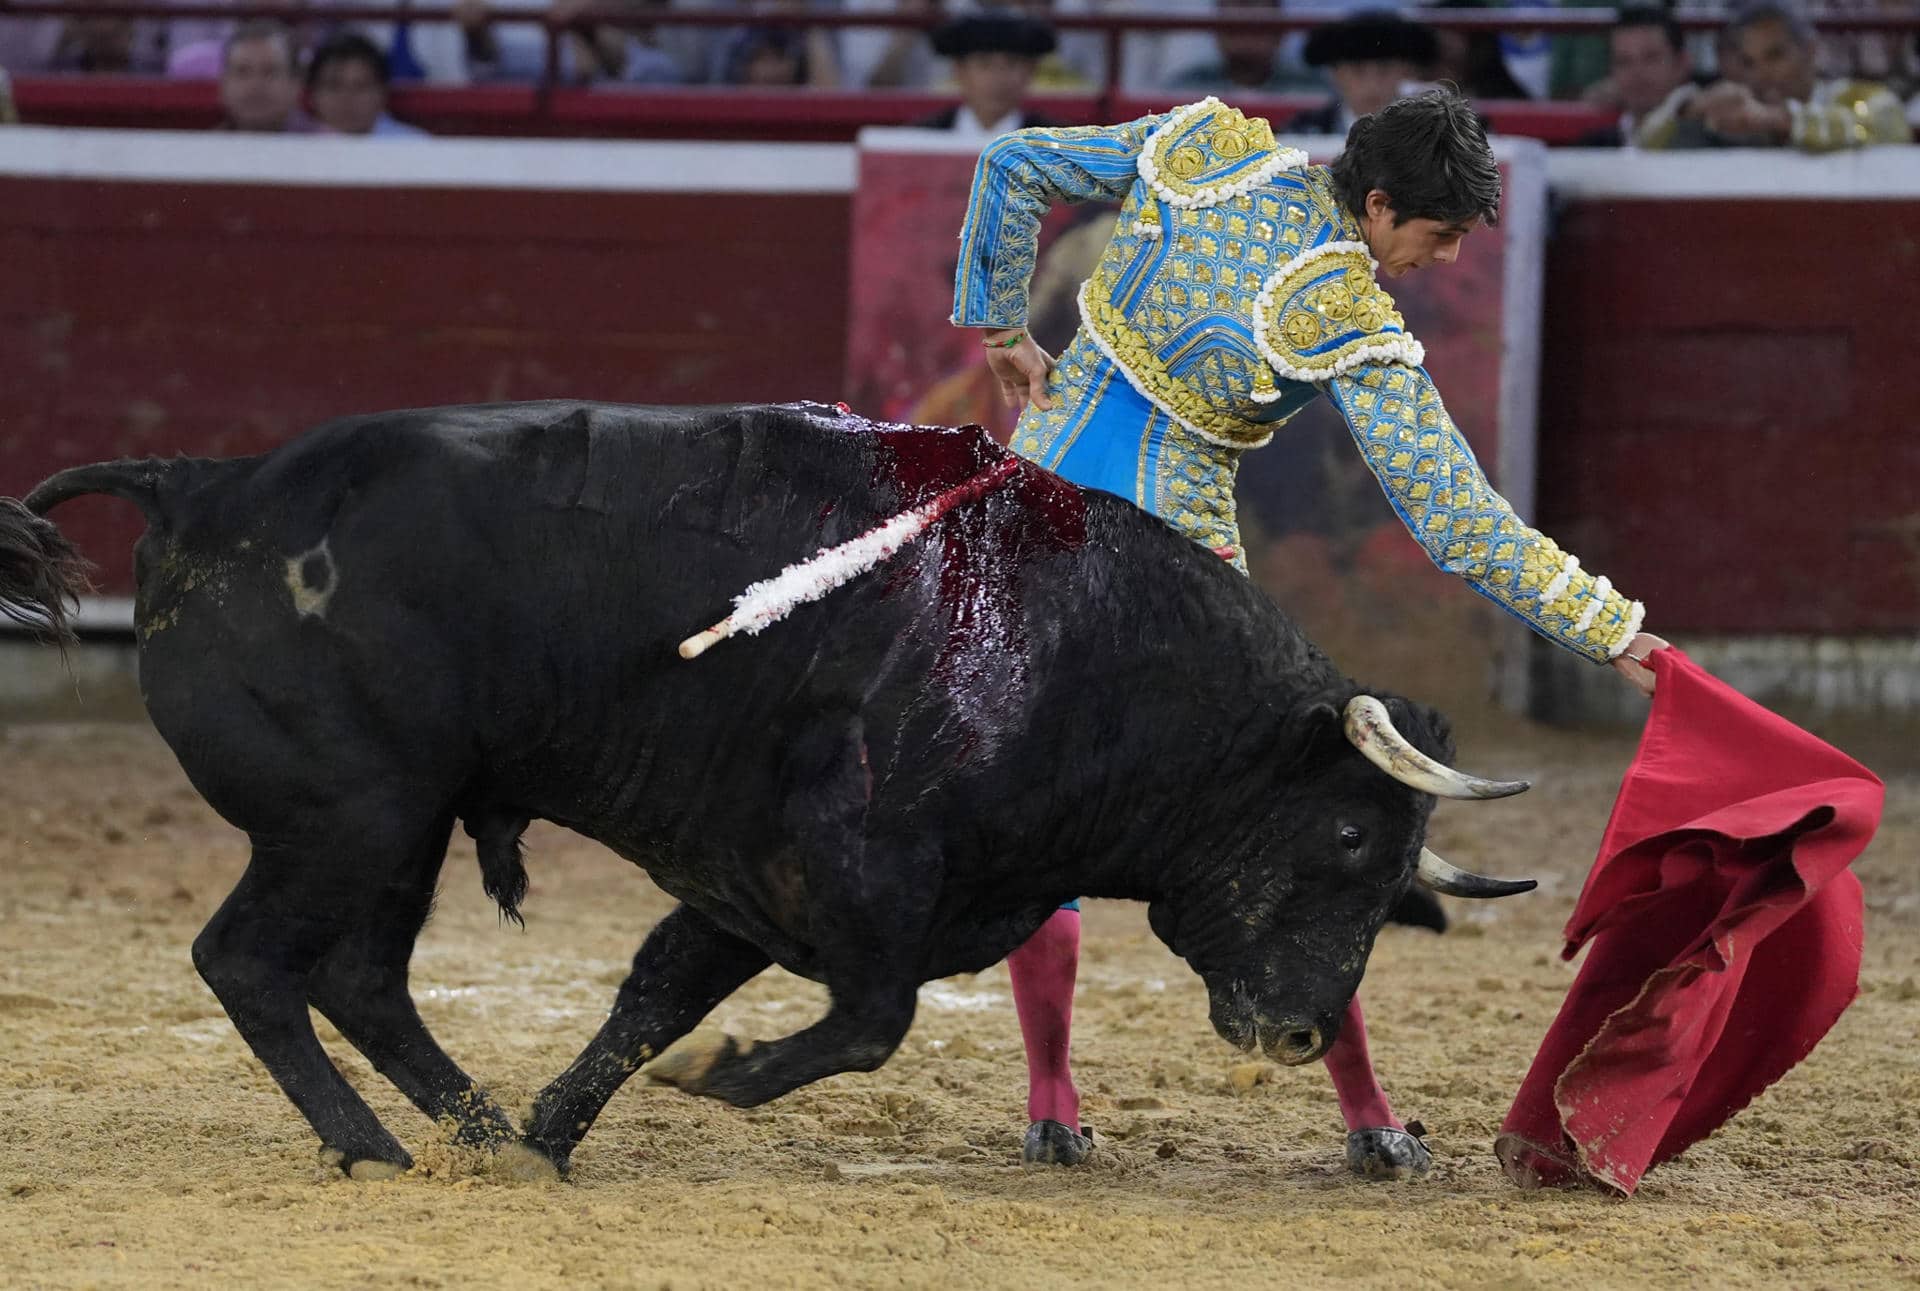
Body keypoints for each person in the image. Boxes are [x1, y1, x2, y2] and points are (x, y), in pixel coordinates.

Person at [951, 89, 1666, 1172]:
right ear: (1378, 206)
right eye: (1436, 234)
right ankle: (1369, 1116)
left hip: (1034, 526)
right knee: (1295, 830)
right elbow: (1458, 522)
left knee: (1043, 805)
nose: (1444, 258)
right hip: (1175, 581)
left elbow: (1011, 165)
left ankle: (1052, 1099)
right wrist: (1611, 630)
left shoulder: (1202, 148)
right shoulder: (1341, 311)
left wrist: (1005, 332)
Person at [1690, 2, 1911, 149]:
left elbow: (1881, 126)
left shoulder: (1857, 96)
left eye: (1775, 56)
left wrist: (1778, 119)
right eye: (1749, 63)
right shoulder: (1735, 115)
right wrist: (1688, 111)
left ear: (1810, 50)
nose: (1762, 73)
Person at [1285, 10, 1437, 136]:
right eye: (1357, 70)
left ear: (1405, 71)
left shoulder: (1425, 131)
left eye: (1384, 69)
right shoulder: (1303, 132)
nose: (1372, 84)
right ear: (1335, 73)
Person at [914, 12, 1060, 136]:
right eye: (984, 64)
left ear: (1030, 71)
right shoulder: (922, 136)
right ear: (959, 71)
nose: (998, 78)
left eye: (1012, 63)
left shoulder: (1057, 145)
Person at [1580, 8, 1704, 149]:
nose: (1637, 72)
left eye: (1651, 57)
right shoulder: (1595, 145)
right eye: (1623, 61)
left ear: (1682, 63)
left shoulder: (1712, 133)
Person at [306, 32, 429, 138]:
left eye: (360, 87)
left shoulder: (417, 146)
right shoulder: (294, 143)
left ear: (383, 92)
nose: (346, 98)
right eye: (334, 86)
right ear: (313, 94)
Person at [216, 20, 317, 133]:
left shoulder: (329, 145)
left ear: (296, 85)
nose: (255, 85)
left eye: (270, 72)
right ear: (224, 84)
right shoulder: (204, 146)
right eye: (242, 72)